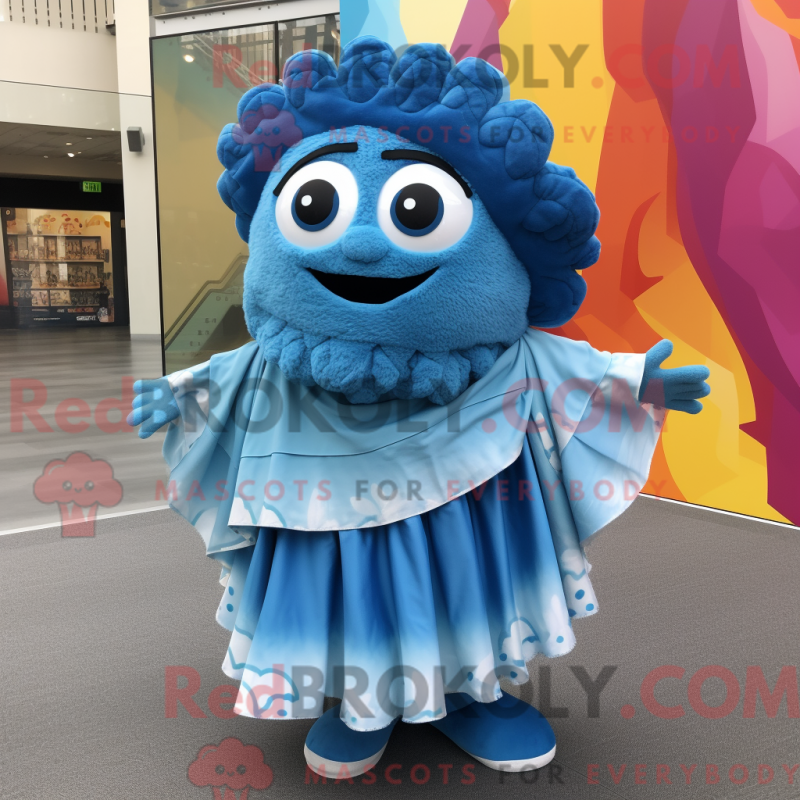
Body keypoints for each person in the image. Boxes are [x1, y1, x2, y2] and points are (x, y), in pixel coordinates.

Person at [128, 38, 710, 777]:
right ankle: (359, 703)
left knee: (462, 586)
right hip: (317, 495)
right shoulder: (282, 364)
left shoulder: (504, 361)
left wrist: (634, 386)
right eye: (316, 206)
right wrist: (182, 395)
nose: (362, 246)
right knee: (344, 593)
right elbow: (238, 372)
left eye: (414, 209)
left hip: (464, 490)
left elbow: (563, 369)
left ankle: (469, 694)